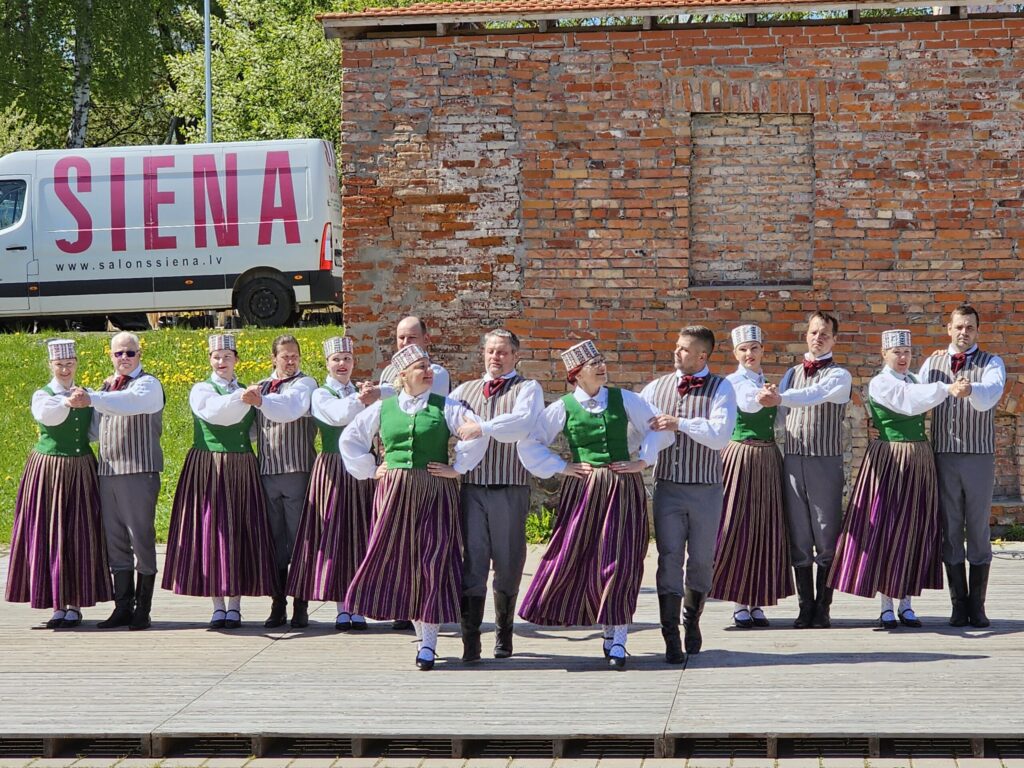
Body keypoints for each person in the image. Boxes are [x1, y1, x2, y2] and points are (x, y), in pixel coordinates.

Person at [518, 340, 665, 670]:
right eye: (592, 364)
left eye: (601, 360)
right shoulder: (562, 407)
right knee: (580, 557)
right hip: (583, 491)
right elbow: (530, 443)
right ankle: (591, 621)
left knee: (622, 559)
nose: (601, 366)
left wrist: (643, 460)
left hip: (622, 487)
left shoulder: (625, 399)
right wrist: (562, 466)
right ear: (576, 374)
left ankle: (618, 637)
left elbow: (657, 427)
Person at [341, 344, 486, 670]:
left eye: (429, 365)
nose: (429, 370)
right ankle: (422, 639)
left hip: (435, 491)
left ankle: (429, 644)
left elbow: (476, 434)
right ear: (403, 376)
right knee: (404, 563)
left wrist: (458, 467)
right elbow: (350, 439)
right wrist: (370, 468)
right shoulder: (384, 408)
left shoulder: (446, 405)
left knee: (432, 562)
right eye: (421, 366)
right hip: (393, 494)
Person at [829, 329, 960, 628]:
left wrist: (940, 360)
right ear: (884, 354)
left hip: (919, 458)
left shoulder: (916, 379)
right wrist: (945, 388)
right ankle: (886, 603)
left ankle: (906, 603)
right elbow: (909, 402)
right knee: (887, 527)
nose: (902, 358)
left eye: (907, 352)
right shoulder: (881, 383)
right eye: (897, 352)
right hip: (889, 459)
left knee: (914, 527)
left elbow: (919, 389)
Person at [162, 334, 277, 630]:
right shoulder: (202, 389)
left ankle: (235, 605)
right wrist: (242, 398)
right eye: (216, 357)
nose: (221, 362)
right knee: (212, 532)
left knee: (239, 530)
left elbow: (252, 430)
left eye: (227, 356)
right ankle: (217, 605)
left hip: (240, 464)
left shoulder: (244, 390)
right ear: (209, 360)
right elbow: (216, 414)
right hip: (208, 464)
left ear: (236, 359)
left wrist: (246, 398)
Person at [640, 326, 736, 663]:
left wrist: (679, 423)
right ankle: (670, 635)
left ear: (702, 356)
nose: (677, 353)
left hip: (706, 488)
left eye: (684, 349)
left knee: (700, 561)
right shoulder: (656, 388)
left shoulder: (722, 388)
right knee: (668, 558)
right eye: (677, 347)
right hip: (667, 485)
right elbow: (638, 428)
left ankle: (691, 619)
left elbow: (720, 435)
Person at [449, 329, 544, 661]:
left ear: (515, 356)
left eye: (502, 352)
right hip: (473, 487)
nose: (495, 357)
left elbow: (519, 424)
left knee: (508, 561)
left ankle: (504, 633)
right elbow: (447, 421)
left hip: (509, 487)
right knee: (472, 560)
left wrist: (483, 428)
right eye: (490, 351)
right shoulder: (464, 391)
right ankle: (470, 640)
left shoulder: (527, 389)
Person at [5, 339, 111, 628]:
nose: (65, 369)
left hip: (81, 468)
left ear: (76, 363)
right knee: (51, 532)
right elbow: (46, 416)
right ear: (51, 366)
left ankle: (75, 605)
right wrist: (67, 401)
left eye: (69, 363)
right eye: (59, 364)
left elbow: (93, 432)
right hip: (48, 470)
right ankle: (56, 603)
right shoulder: (43, 395)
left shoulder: (85, 394)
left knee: (79, 532)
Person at [67, 332, 164, 631]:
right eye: (118, 354)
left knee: (141, 540)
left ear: (140, 354)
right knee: (115, 543)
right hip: (107, 472)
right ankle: (122, 606)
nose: (124, 358)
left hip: (138, 471)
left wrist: (91, 398)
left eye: (130, 353)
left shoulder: (148, 384)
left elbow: (131, 403)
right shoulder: (105, 386)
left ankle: (142, 609)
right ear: (110, 356)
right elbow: (94, 430)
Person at [919, 305, 1006, 628]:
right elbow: (918, 393)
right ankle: (958, 604)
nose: (963, 332)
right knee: (950, 526)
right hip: (943, 454)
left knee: (979, 527)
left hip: (978, 456)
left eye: (969, 327)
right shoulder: (934, 362)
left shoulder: (991, 362)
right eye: (958, 326)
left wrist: (971, 389)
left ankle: (977, 605)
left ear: (977, 331)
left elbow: (992, 393)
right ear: (948, 328)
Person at [287, 336, 376, 630]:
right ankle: (341, 605)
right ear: (327, 363)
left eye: (347, 359)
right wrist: (361, 399)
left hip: (361, 467)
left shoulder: (363, 390)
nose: (342, 364)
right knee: (334, 533)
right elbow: (337, 417)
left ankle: (358, 603)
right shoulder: (320, 394)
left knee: (361, 532)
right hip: (332, 467)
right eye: (336, 360)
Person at [709, 325, 793, 628]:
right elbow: (747, 402)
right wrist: (766, 397)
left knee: (765, 526)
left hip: (769, 456)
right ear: (735, 353)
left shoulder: (770, 383)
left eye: (754, 348)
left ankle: (757, 600)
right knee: (738, 524)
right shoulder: (731, 383)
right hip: (741, 455)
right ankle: (738, 601)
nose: (749, 354)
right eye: (743, 349)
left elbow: (782, 420)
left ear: (762, 351)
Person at [773, 311, 852, 629]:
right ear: (806, 335)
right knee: (800, 536)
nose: (818, 338)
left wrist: (779, 397)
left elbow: (811, 396)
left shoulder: (839, 375)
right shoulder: (790, 374)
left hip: (824, 461)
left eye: (825, 334)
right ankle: (806, 607)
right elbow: (779, 416)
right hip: (793, 460)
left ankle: (824, 607)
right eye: (814, 332)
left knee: (827, 535)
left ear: (834, 339)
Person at [376, 315, 450, 631]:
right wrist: (374, 465)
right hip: (396, 480)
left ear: (425, 338)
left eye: (411, 337)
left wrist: (458, 467)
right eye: (401, 339)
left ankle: (427, 606)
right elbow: (382, 420)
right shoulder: (387, 375)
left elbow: (420, 402)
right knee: (397, 545)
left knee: (429, 547)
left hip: (430, 477)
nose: (406, 343)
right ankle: (402, 605)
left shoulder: (437, 374)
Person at [241, 335, 318, 629]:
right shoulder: (259, 386)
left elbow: (290, 407)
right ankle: (277, 604)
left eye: (294, 355)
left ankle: (300, 604)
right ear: (273, 358)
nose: (290, 360)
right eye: (285, 356)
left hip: (298, 470)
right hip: (268, 472)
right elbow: (249, 428)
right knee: (274, 542)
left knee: (299, 539)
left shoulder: (306, 385)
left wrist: (260, 400)